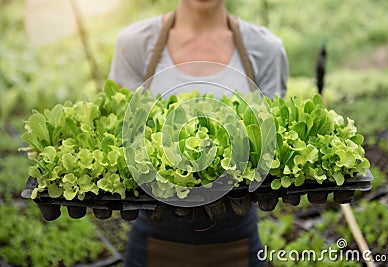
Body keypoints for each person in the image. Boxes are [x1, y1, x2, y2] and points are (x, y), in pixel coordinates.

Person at [108, 0, 289, 266]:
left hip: (237, 240)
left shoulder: (265, 49)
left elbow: (273, 143)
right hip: (153, 241)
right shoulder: (135, 43)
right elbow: (116, 135)